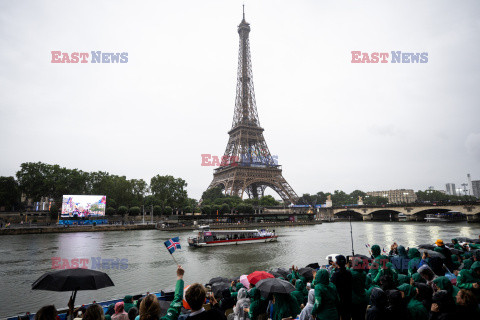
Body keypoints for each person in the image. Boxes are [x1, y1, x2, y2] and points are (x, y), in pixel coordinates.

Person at [330, 255, 352, 320]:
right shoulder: (349, 273)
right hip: (348, 298)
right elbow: (343, 271)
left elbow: (331, 286)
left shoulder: (335, 275)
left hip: (339, 300)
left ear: (336, 263)